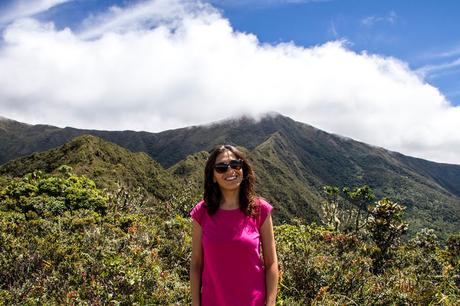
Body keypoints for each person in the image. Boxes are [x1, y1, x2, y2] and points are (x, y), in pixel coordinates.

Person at [190, 144, 278, 306]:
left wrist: (271, 303)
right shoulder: (201, 212)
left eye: (236, 165)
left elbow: (271, 263)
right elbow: (196, 264)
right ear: (213, 176)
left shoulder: (260, 210)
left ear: (243, 169)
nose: (230, 171)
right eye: (221, 167)